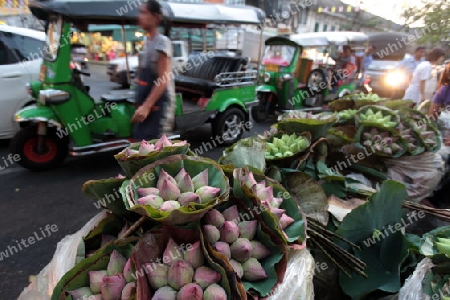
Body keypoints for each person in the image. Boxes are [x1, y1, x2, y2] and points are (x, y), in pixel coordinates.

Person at [131, 0, 176, 141]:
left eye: (143, 12)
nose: (140, 16)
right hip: (147, 105)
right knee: (142, 147)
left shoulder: (162, 42)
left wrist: (146, 106)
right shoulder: (147, 42)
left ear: (156, 17)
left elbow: (163, 79)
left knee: (157, 149)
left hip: (159, 107)